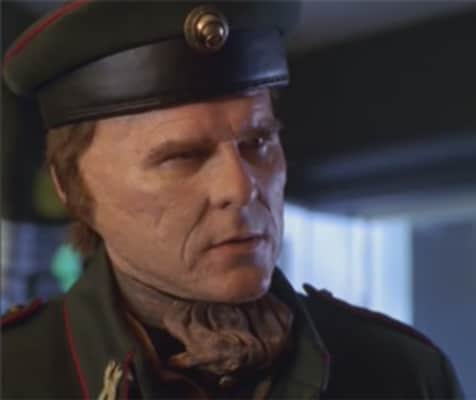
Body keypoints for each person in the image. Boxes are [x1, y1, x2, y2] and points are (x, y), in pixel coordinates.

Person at [1, 1, 464, 399]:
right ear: (73, 187)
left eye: (258, 143)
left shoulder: (402, 373)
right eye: (182, 157)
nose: (240, 189)